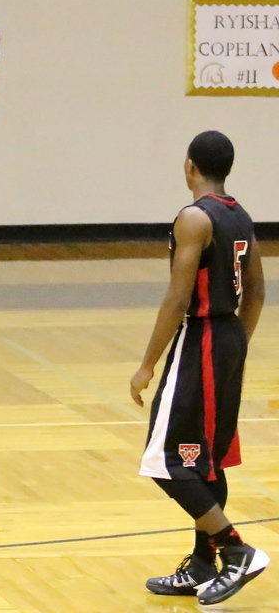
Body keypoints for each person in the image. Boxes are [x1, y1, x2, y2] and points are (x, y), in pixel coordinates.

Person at [131, 131, 267, 606]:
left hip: (203, 337)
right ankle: (203, 563)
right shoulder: (241, 215)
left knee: (168, 462)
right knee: (207, 458)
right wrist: (236, 345)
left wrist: (147, 364)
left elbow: (178, 295)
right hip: (229, 338)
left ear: (189, 166)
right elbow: (257, 292)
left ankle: (236, 551)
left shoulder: (194, 217)